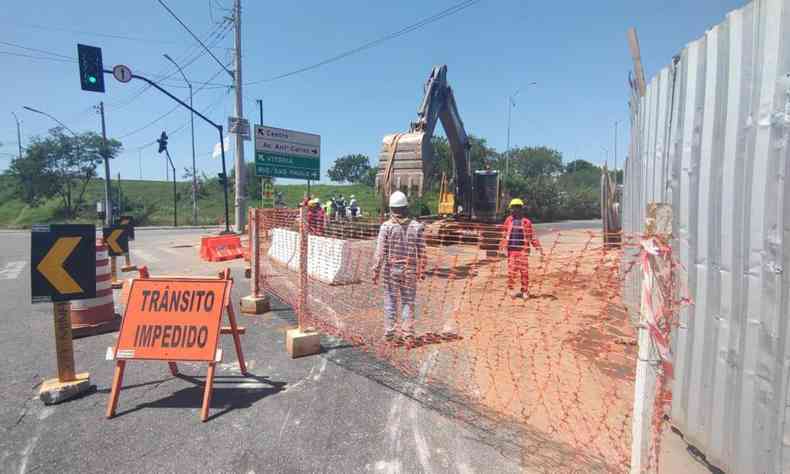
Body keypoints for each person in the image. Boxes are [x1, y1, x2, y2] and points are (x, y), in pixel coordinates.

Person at [372, 191, 426, 341]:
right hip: (410, 269)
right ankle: (408, 334)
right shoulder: (416, 226)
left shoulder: (386, 227)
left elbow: (380, 251)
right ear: (405, 207)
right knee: (408, 301)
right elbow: (422, 251)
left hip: (391, 269)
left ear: (391, 208)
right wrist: (422, 270)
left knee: (390, 299)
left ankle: (390, 332)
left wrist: (376, 271)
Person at [499, 198, 542, 299]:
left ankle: (525, 291)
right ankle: (511, 290)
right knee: (511, 271)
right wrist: (501, 245)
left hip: (523, 250)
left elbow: (531, 236)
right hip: (511, 251)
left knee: (524, 272)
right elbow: (504, 234)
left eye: (517, 207)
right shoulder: (508, 220)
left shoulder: (527, 222)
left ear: (521, 209)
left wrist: (537, 246)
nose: (514, 210)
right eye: (513, 208)